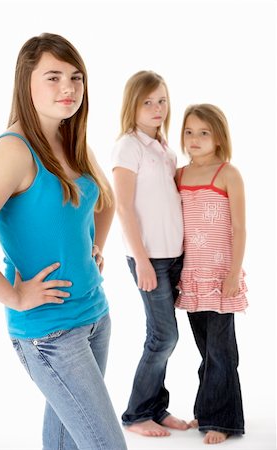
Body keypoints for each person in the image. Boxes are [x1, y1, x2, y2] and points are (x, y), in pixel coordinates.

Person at [0, 33, 127, 450]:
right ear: (26, 83)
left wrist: (95, 247)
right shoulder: (13, 151)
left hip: (96, 316)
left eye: (76, 77)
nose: (69, 88)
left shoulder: (70, 139)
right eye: (54, 77)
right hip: (50, 333)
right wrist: (14, 296)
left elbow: (105, 199)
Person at [111, 70, 188, 437]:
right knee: (164, 336)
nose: (158, 107)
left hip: (173, 255)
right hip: (150, 257)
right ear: (133, 105)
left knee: (162, 335)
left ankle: (157, 407)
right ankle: (137, 414)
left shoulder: (165, 148)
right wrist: (141, 260)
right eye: (148, 101)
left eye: (162, 100)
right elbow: (124, 207)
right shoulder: (128, 146)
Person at [175, 104, 248, 444]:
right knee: (208, 351)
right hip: (192, 277)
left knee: (222, 352)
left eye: (204, 132)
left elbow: (239, 227)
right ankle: (208, 411)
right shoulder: (179, 174)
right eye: (189, 131)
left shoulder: (228, 173)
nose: (195, 139)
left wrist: (233, 273)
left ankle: (222, 420)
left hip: (220, 276)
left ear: (219, 136)